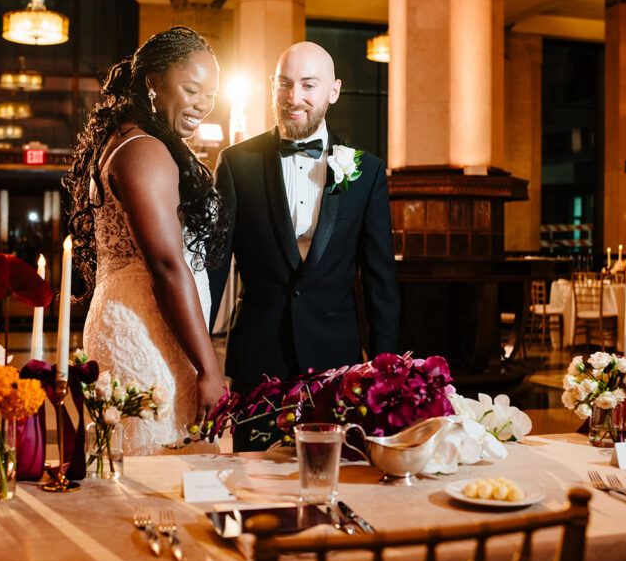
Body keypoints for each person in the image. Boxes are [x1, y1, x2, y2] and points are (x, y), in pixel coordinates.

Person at [210, 41, 400, 450]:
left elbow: (380, 279)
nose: (294, 98)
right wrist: (201, 360)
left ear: (333, 91)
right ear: (272, 87)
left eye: (308, 85)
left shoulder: (366, 171)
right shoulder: (236, 163)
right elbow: (214, 269)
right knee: (253, 486)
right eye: (285, 84)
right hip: (256, 361)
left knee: (332, 482)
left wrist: (385, 370)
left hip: (337, 367)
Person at [63, 27, 228, 455]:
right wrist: (210, 368)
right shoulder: (144, 150)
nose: (203, 105)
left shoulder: (133, 139)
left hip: (161, 330)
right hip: (144, 336)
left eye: (210, 94)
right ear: (153, 82)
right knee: (150, 477)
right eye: (192, 89)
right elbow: (167, 265)